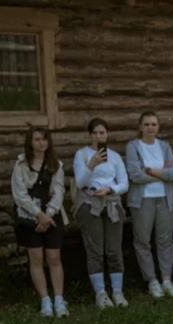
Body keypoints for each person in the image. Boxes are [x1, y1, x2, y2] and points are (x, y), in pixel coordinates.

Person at [11, 127, 69, 318]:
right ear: (30, 142)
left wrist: (48, 215)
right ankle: (45, 300)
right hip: (30, 217)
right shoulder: (21, 165)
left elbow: (59, 191)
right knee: (36, 258)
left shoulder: (55, 165)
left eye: (44, 139)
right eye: (37, 139)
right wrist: (38, 215)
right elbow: (20, 195)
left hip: (51, 216)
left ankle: (59, 299)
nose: (41, 143)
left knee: (54, 258)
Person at [73, 118, 129, 309]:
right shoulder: (82, 155)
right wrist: (91, 165)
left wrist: (111, 189)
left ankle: (117, 292)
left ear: (107, 134)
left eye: (102, 133)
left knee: (114, 249)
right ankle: (101, 293)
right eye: (95, 133)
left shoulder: (114, 156)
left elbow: (124, 183)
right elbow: (80, 183)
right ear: (90, 135)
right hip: (90, 204)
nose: (99, 136)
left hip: (111, 202)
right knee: (95, 249)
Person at [126, 111, 173, 298]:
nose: (150, 128)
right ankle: (152, 280)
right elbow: (135, 175)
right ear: (140, 127)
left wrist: (149, 171)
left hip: (165, 198)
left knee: (165, 240)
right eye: (147, 124)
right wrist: (162, 174)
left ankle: (166, 279)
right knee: (143, 241)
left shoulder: (164, 147)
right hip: (142, 201)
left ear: (158, 127)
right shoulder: (133, 146)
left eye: (154, 124)